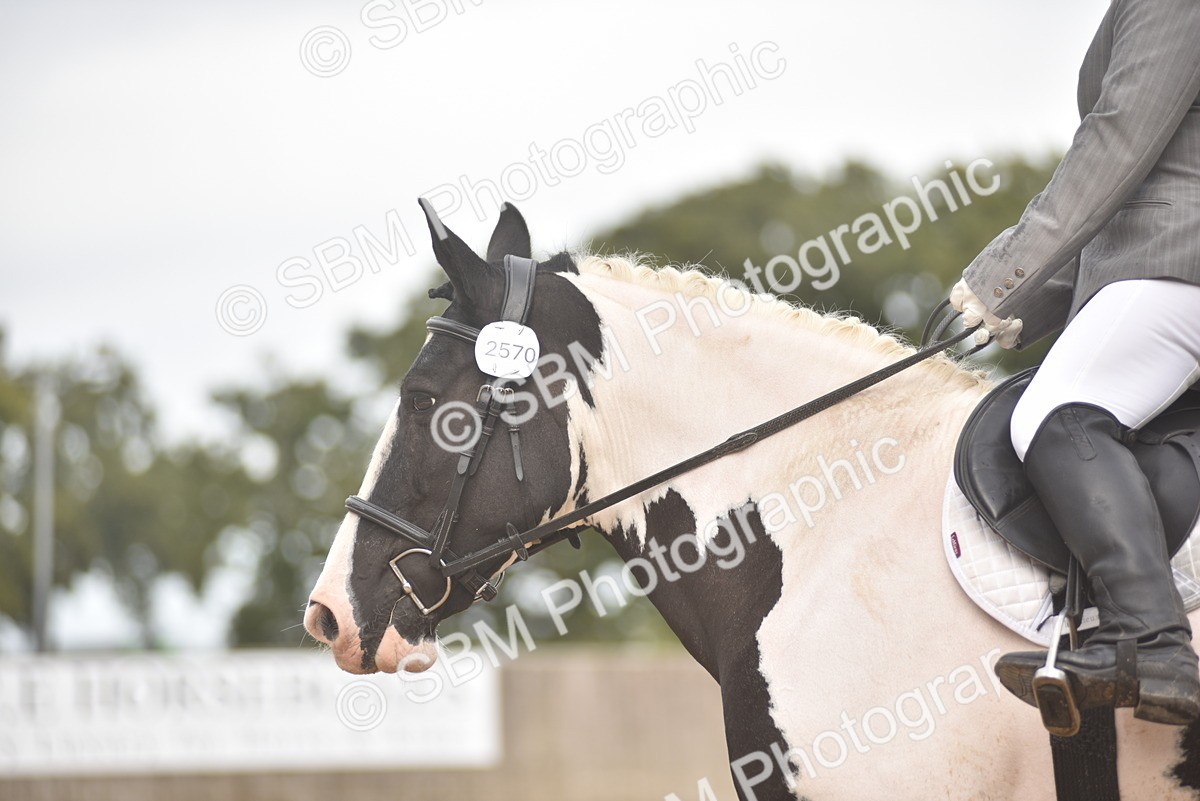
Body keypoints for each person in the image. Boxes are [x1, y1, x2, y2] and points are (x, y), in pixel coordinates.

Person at [949, 0, 1200, 725]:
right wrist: (1026, 303)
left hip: (1179, 258)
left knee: (1057, 416)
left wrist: (1007, 272)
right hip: (1163, 257)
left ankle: (1152, 643)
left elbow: (1121, 138)